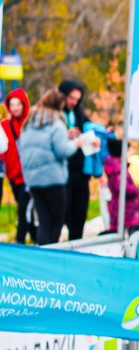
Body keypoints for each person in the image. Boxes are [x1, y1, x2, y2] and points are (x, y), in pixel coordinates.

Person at [17, 87, 81, 245]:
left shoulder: (29, 123)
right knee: (58, 219)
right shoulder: (56, 122)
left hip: (34, 181)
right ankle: (51, 252)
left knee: (44, 221)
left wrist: (65, 136)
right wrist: (76, 143)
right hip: (53, 179)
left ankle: (42, 253)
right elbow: (62, 151)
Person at [58, 78, 92, 240]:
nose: (73, 102)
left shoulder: (78, 114)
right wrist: (66, 135)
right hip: (63, 170)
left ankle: (76, 242)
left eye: (77, 99)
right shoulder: (55, 115)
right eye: (71, 98)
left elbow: (88, 128)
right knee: (64, 211)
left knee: (80, 211)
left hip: (80, 170)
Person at [1, 88, 35, 243]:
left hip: (29, 176)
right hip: (13, 175)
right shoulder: (4, 126)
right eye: (12, 104)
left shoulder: (32, 124)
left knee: (23, 211)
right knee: (25, 211)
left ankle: (20, 242)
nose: (15, 108)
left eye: (18, 104)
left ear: (24, 105)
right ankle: (37, 239)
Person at [102, 137, 139, 233]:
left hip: (122, 208)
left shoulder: (117, 167)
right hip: (125, 209)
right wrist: (135, 189)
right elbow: (122, 187)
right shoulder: (118, 169)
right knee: (128, 235)